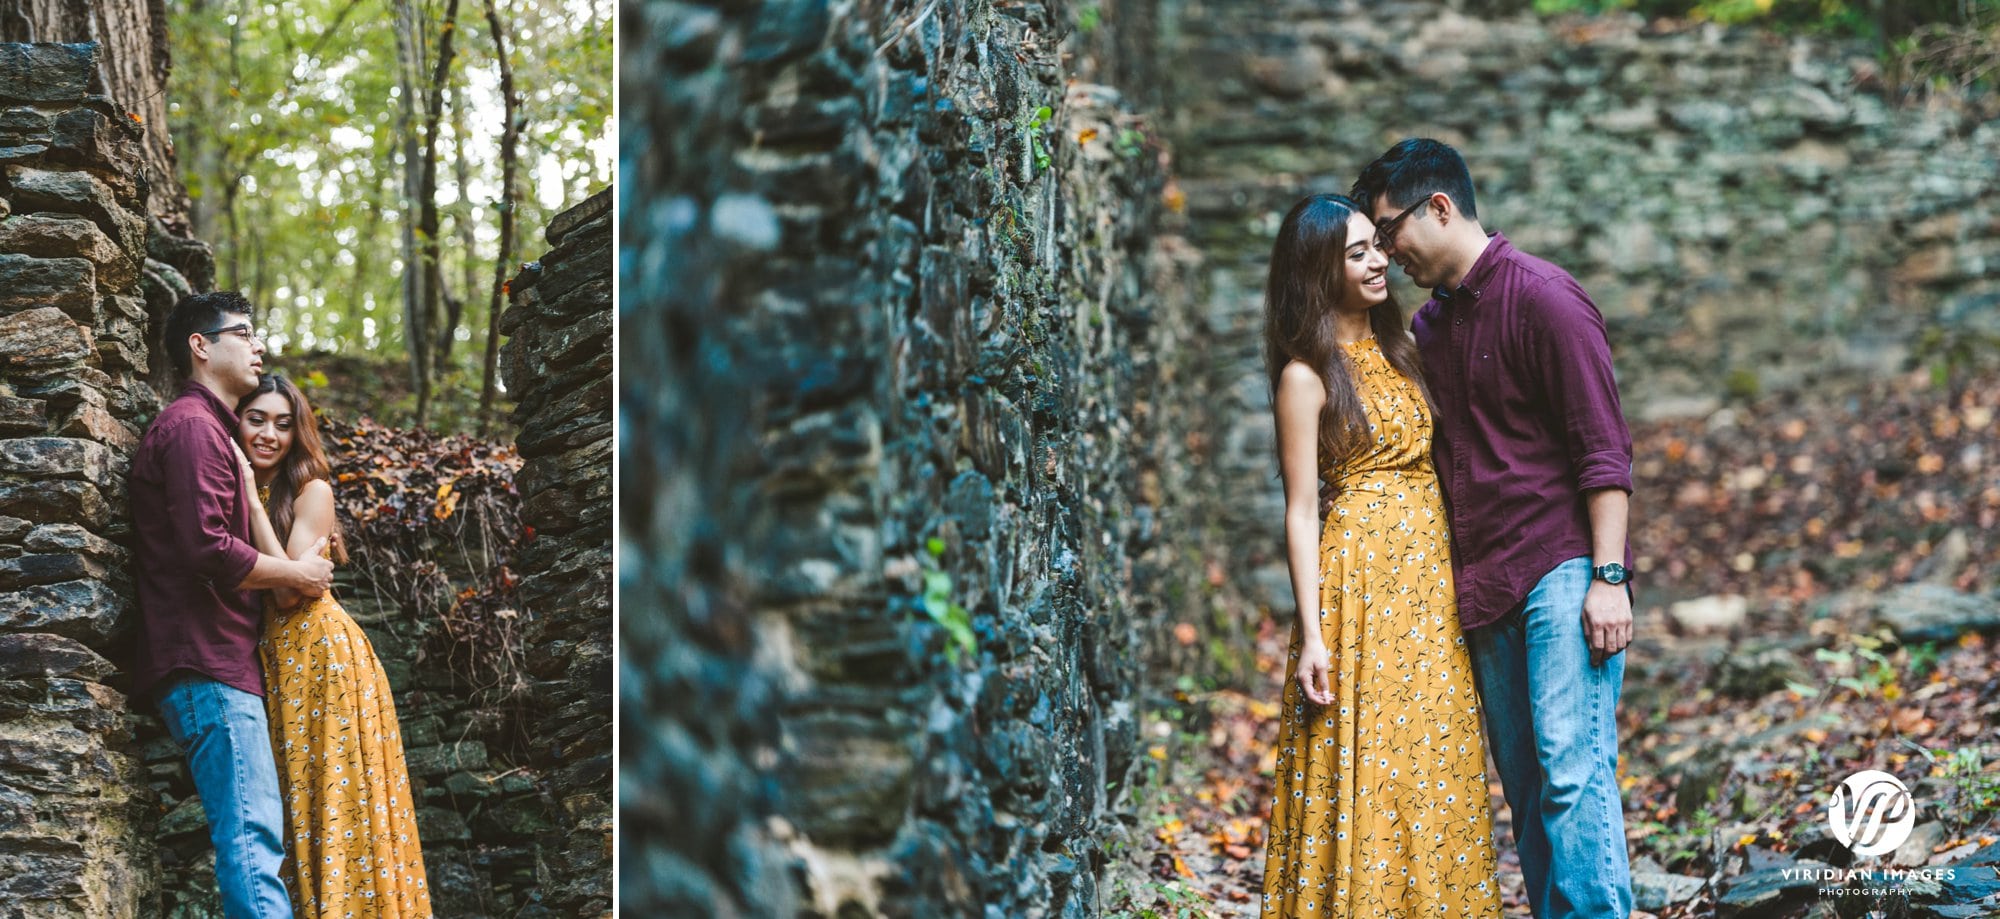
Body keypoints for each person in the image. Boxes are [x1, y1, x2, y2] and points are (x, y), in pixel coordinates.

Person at [1353, 138, 1636, 919]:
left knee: (1573, 767)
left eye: (1388, 231)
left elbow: (1604, 450)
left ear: (1439, 207)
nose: (1386, 252)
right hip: (1484, 587)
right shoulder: (1431, 331)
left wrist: (1608, 578)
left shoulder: (1547, 297)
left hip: (1562, 565)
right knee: (1529, 785)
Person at [1258, 193, 1502, 917]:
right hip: (1357, 585)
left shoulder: (1407, 348)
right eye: (1357, 252)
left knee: (1433, 759)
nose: (1379, 262)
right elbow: (1301, 510)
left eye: (1378, 246)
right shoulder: (1305, 376)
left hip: (1428, 584)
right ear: (1315, 269)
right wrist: (1313, 633)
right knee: (1364, 765)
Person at [130, 291, 333, 919]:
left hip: (219, 664)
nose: (258, 345)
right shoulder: (192, 427)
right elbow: (209, 551)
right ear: (201, 345)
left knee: (257, 836)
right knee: (252, 839)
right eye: (242, 333)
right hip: (207, 664)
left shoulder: (212, 431)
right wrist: (298, 572)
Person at [230, 372, 433, 917]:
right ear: (237, 420)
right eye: (256, 419)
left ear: (298, 434)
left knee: (342, 800)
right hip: (280, 664)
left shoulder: (310, 489)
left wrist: (252, 503)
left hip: (323, 658)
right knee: (302, 805)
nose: (269, 434)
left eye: (283, 423)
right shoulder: (238, 484)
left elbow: (292, 594)